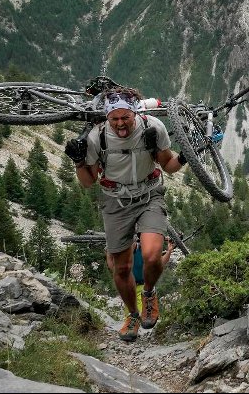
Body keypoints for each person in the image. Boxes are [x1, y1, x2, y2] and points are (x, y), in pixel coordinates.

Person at [64, 87, 186, 342]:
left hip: (150, 194)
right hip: (115, 201)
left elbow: (168, 166)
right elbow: (88, 181)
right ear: (107, 117)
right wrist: (78, 162)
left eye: (125, 118)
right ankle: (132, 315)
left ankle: (149, 295)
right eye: (114, 119)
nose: (120, 124)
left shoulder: (153, 128)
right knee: (121, 268)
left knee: (152, 255)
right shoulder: (98, 138)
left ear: (134, 113)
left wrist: (186, 157)